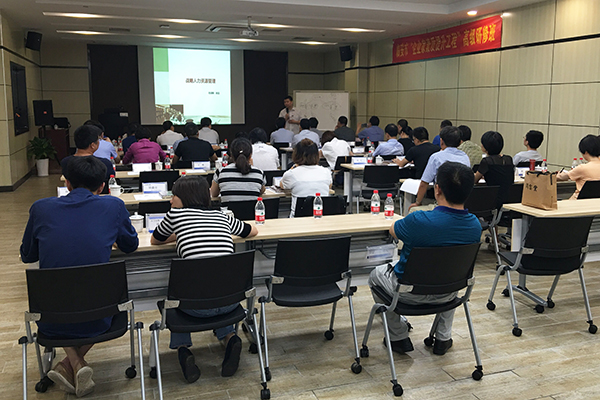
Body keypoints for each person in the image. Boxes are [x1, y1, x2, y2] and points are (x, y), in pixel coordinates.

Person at [21, 156, 138, 397]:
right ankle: (75, 363)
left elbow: (27, 254)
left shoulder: (41, 208)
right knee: (101, 298)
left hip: (51, 317)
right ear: (102, 187)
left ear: (67, 183)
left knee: (63, 296)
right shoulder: (113, 206)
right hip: (100, 315)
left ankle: (69, 364)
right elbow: (130, 245)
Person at [151, 176, 258, 383]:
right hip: (230, 303)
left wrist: (179, 233)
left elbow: (155, 239)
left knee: (177, 295)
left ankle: (183, 350)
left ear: (186, 197)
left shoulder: (175, 215)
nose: (171, 200)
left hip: (194, 308)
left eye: (174, 196)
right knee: (217, 285)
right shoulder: (221, 216)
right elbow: (252, 231)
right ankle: (231, 338)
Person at [368, 161, 481, 356]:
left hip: (409, 293)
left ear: (437, 189)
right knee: (450, 273)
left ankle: (398, 336)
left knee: (375, 275)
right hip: (449, 293)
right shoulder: (475, 226)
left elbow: (393, 230)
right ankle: (443, 338)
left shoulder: (419, 220)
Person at [409, 126, 470, 211]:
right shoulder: (465, 157)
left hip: (441, 206)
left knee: (413, 210)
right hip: (461, 206)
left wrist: (417, 202)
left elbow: (424, 184)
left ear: (441, 141)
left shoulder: (436, 157)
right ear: (460, 143)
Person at [281, 139, 332, 217]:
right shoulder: (326, 171)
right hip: (321, 217)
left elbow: (282, 186)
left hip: (298, 219)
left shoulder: (291, 174)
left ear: (296, 154)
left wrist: (293, 167)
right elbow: (329, 187)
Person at [61, 124, 115, 192]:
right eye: (98, 140)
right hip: (99, 197)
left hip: (74, 197)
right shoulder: (105, 163)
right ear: (92, 145)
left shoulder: (65, 162)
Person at [211, 138, 266, 203]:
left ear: (231, 155)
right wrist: (252, 167)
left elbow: (213, 194)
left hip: (228, 209)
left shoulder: (221, 172)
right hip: (251, 210)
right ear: (250, 155)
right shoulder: (259, 173)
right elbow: (261, 191)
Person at [473, 131, 515, 209]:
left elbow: (474, 181)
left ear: (485, 147)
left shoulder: (487, 161)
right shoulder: (508, 159)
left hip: (492, 200)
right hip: (509, 199)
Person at [557, 134, 600, 199]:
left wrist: (557, 175)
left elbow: (562, 177)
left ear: (586, 152)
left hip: (579, 201)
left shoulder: (583, 168)